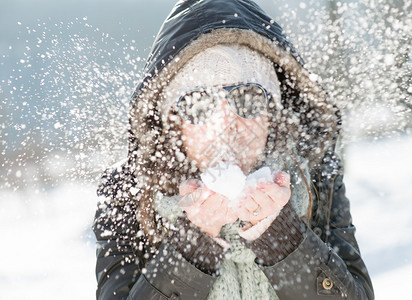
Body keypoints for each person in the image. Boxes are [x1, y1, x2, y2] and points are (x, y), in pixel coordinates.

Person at [92, 0, 374, 299]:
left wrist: (282, 235)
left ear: (273, 113)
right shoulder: (130, 194)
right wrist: (193, 246)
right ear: (173, 124)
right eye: (199, 104)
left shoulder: (315, 175)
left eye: (248, 97)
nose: (226, 124)